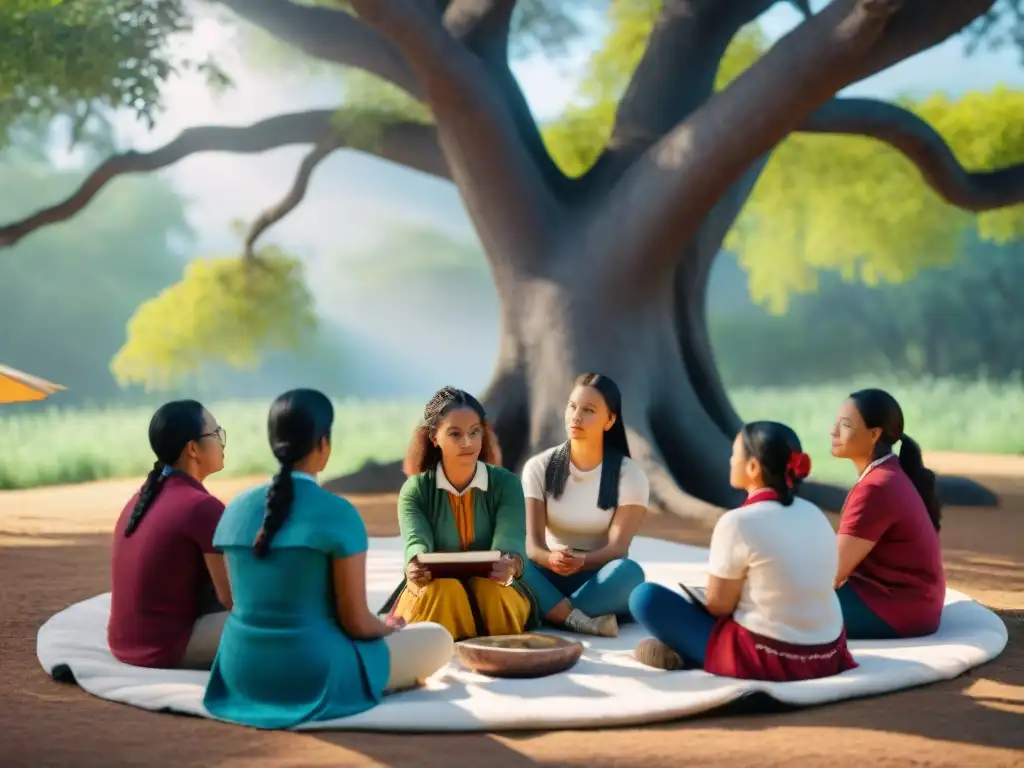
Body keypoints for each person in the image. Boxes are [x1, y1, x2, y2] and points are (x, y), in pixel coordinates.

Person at [204, 390, 453, 730]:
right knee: (437, 639)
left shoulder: (235, 507)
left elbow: (233, 601)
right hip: (312, 673)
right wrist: (385, 627)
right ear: (324, 444)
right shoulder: (338, 513)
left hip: (240, 671)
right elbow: (355, 623)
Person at [629, 422, 857, 682]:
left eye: (734, 453)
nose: (729, 459)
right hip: (827, 654)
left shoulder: (737, 522)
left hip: (771, 656)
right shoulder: (816, 515)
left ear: (752, 467)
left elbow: (718, 606)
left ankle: (690, 653)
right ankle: (686, 651)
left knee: (644, 598)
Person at [379, 387, 539, 640]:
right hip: (436, 588)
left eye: (475, 432)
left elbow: (511, 538)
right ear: (434, 437)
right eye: (455, 434)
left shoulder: (506, 483)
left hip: (495, 587)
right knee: (445, 590)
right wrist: (414, 565)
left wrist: (510, 563)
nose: (468, 443)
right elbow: (416, 541)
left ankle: (488, 644)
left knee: (493, 589)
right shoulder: (416, 489)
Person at [520, 373, 648, 638]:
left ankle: (550, 612)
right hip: (548, 571)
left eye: (588, 410)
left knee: (630, 574)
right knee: (512, 558)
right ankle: (580, 618)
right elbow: (533, 546)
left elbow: (617, 548)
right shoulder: (538, 467)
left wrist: (581, 561)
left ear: (609, 420)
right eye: (572, 406)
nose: (576, 416)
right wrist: (551, 558)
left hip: (597, 576)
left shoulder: (630, 475)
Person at [108, 400, 231, 670]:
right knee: (285, 621)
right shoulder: (202, 507)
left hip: (124, 642)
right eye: (216, 434)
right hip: (164, 648)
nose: (222, 443)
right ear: (193, 449)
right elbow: (232, 598)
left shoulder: (141, 497)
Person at [830, 388, 945, 639]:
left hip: (897, 610)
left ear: (874, 434)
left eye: (845, 425)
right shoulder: (885, 475)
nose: (833, 431)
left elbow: (832, 572)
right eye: (836, 423)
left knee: (774, 608)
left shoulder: (876, 487)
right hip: (911, 604)